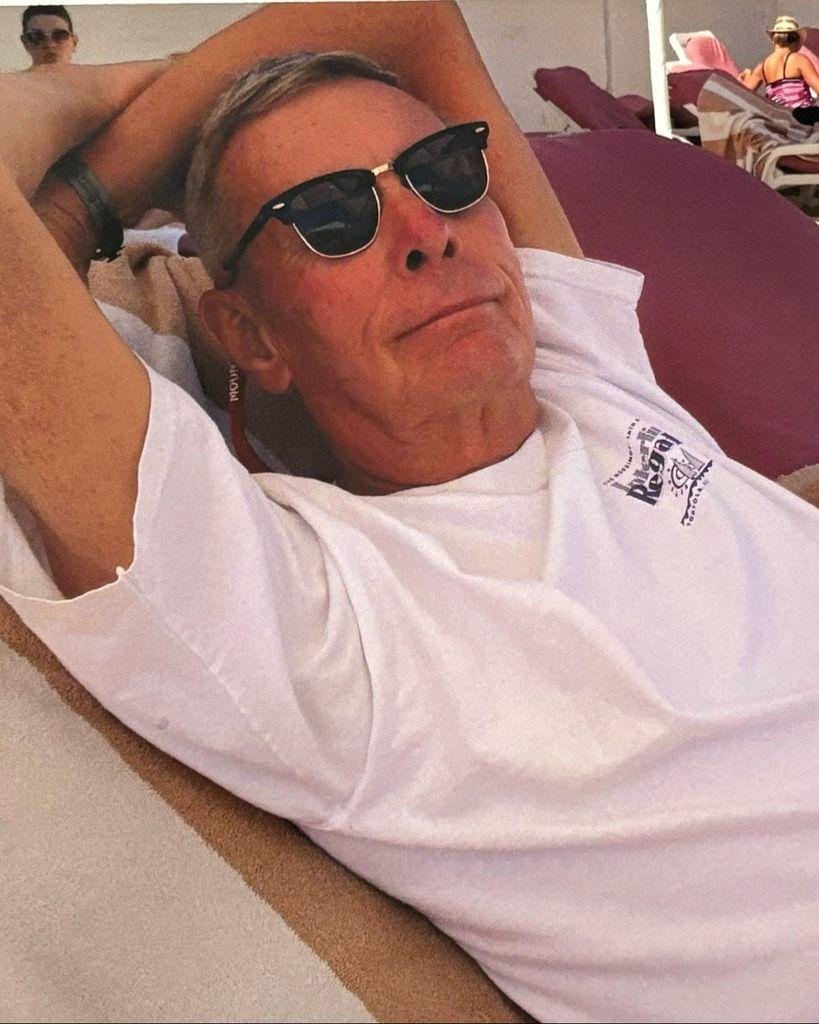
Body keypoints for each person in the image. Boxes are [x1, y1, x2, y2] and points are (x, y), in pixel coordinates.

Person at [2, 3, 819, 1021]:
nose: (428, 233)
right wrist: (83, 189)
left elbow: (410, 17)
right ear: (250, 335)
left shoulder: (581, 372)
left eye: (444, 172)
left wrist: (159, 82)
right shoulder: (316, 621)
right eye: (331, 216)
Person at [739, 14, 819, 124]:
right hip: (802, 115)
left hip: (778, 117)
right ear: (796, 41)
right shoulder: (799, 60)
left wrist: (747, 76)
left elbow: (744, 93)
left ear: (773, 40)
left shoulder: (762, 66)